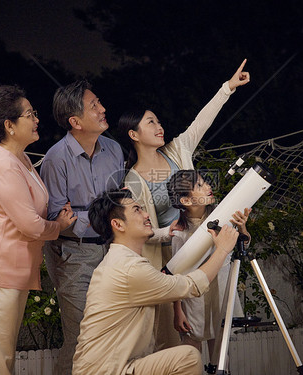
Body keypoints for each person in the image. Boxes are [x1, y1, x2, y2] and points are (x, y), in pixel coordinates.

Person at [119, 59, 250, 348]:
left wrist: (227, 88)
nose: (159, 126)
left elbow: (201, 121)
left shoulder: (177, 151)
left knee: (218, 321)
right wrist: (172, 233)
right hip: (170, 260)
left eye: (158, 120)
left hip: (206, 243)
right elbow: (140, 231)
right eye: (150, 122)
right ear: (133, 134)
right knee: (184, 333)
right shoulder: (132, 181)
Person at [0, 85, 76, 374]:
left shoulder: (21, 159)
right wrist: (59, 226)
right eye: (30, 114)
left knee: (4, 355)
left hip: (13, 269)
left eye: (34, 113)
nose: (36, 119)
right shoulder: (5, 166)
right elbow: (30, 225)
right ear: (9, 126)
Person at [72, 188, 240, 375]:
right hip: (106, 370)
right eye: (137, 210)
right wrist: (222, 249)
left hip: (116, 366)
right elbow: (190, 286)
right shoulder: (129, 268)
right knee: (188, 357)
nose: (146, 214)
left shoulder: (121, 261)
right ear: (118, 224)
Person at [40, 80, 125, 374]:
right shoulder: (55, 158)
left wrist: (94, 217)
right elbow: (58, 220)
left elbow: (119, 201)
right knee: (80, 339)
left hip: (113, 252)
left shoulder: (114, 150)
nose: (103, 109)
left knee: (112, 337)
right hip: (73, 255)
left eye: (99, 102)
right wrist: (107, 219)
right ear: (75, 121)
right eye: (94, 106)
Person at [167, 169, 251, 368]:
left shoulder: (223, 218)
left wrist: (242, 229)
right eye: (200, 186)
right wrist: (177, 311)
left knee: (221, 357)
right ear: (186, 201)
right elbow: (175, 275)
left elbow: (242, 246)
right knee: (190, 355)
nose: (208, 187)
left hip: (221, 292)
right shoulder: (180, 233)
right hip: (194, 300)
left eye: (206, 182)